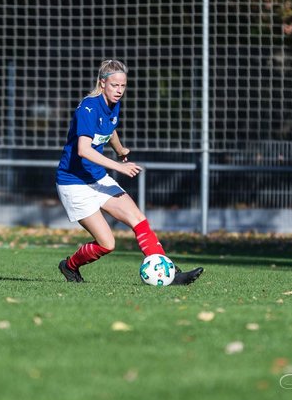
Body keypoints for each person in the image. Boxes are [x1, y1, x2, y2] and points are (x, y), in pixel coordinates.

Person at [55, 59, 203, 286]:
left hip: (96, 177)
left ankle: (170, 274)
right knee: (107, 244)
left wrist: (119, 149)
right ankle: (70, 266)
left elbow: (109, 128)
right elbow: (83, 150)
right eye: (114, 85)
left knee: (139, 220)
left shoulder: (114, 104)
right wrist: (119, 166)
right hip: (73, 183)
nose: (119, 91)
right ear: (102, 83)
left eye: (123, 86)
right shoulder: (88, 108)